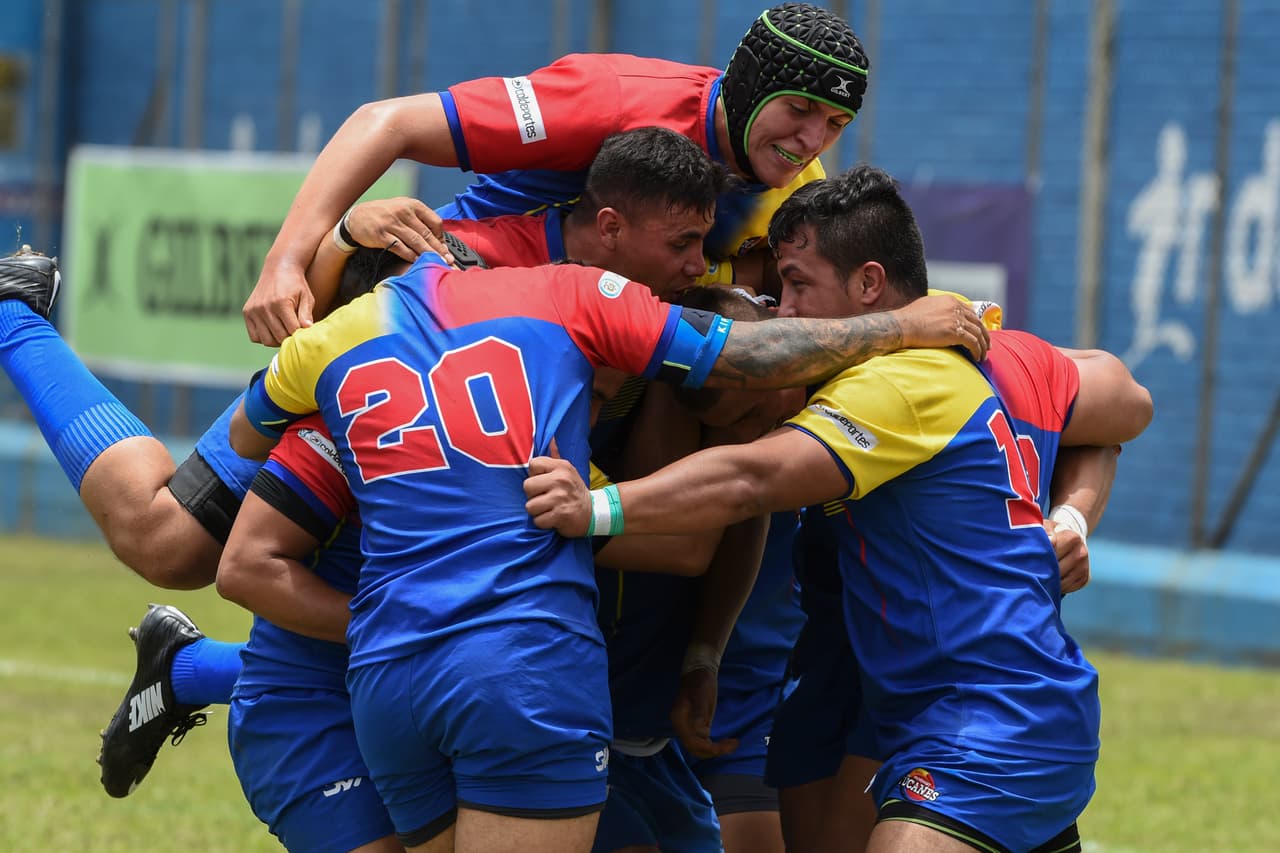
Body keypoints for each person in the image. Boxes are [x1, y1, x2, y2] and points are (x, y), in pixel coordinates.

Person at [226, 240, 985, 853]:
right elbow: (740, 359)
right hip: (518, 664)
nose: (698, 257)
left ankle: (195, 666)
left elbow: (243, 435)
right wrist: (901, 327)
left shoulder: (331, 343)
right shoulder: (556, 296)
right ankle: (199, 668)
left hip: (391, 675)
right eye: (686, 240)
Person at [523, 165, 1152, 853]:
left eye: (796, 283)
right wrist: (1070, 516)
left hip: (988, 714)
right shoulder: (984, 343)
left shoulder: (889, 381)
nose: (782, 311)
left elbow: (750, 479)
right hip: (928, 698)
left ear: (870, 286)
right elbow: (1113, 408)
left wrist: (596, 506)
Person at [243, 2, 870, 344]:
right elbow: (385, 122)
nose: (811, 140)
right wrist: (285, 264)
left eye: (835, 124)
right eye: (799, 110)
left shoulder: (801, 187)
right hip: (448, 300)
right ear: (751, 87)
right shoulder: (614, 98)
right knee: (182, 541)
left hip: (593, 356)